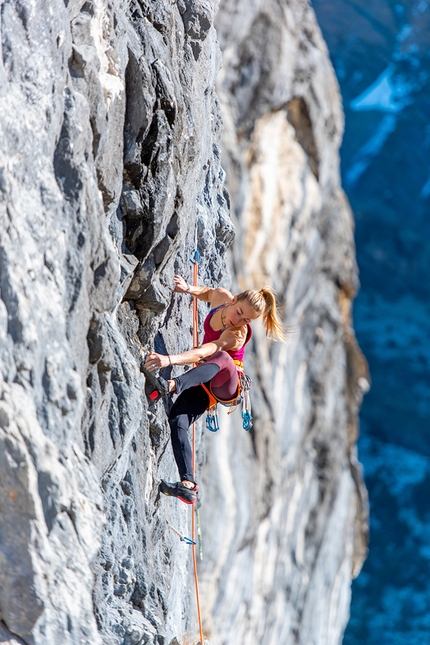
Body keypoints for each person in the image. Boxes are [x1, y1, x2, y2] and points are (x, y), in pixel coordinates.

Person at [142, 274, 285, 504]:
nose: (238, 321)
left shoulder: (234, 336)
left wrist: (168, 361)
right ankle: (187, 484)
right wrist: (188, 288)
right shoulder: (222, 297)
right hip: (205, 380)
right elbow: (209, 293)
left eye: (246, 320)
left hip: (225, 384)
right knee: (178, 419)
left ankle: (172, 385)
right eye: (239, 312)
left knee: (220, 357)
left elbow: (205, 352)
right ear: (233, 300)